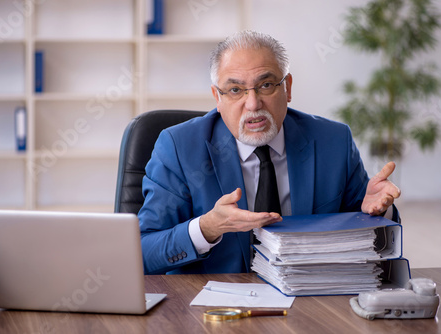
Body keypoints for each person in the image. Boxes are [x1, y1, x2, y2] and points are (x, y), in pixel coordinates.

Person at [138, 30, 401, 275]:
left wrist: (376, 213)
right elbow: (142, 250)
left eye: (265, 86)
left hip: (308, 297)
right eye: (235, 90)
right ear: (217, 98)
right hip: (215, 309)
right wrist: (206, 228)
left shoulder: (333, 141)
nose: (252, 104)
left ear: (287, 88)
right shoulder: (179, 147)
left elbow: (371, 239)